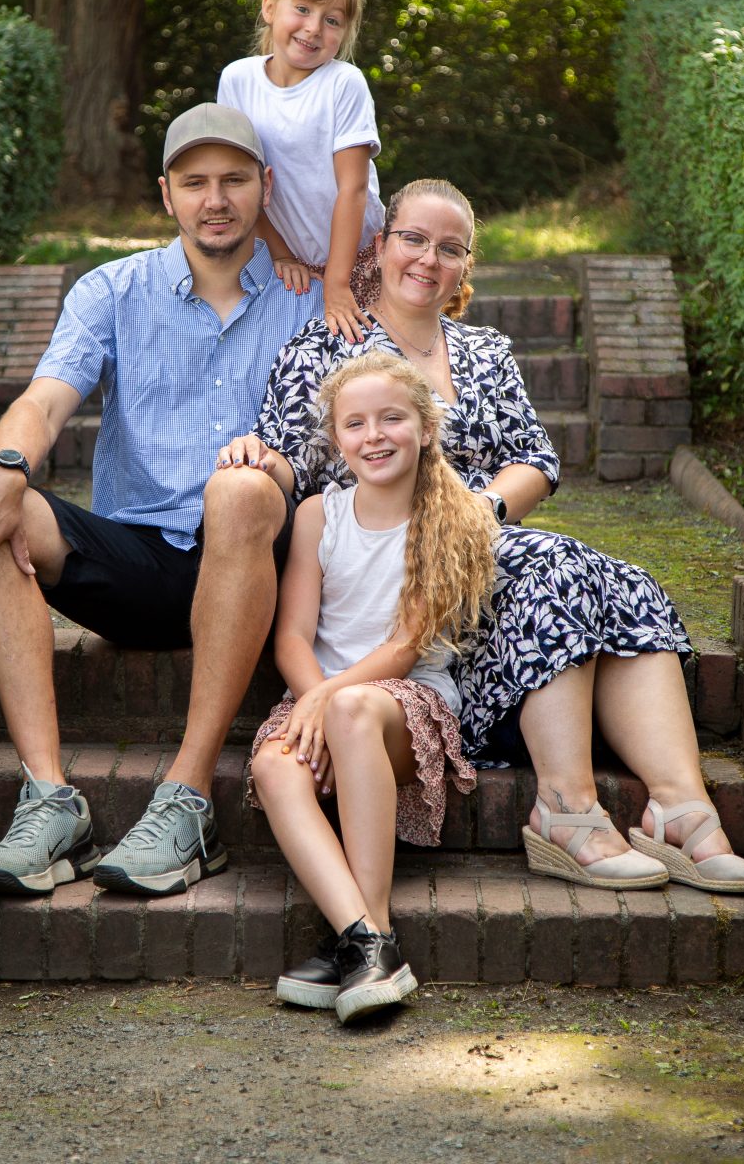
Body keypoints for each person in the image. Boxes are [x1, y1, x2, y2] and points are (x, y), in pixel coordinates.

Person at [219, 177, 744, 895]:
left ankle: (681, 809)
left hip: (481, 534)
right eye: (413, 239)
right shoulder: (327, 344)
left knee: (621, 582)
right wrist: (254, 458)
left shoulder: (485, 351)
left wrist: (479, 513)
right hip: (395, 559)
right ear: (380, 246)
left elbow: (536, 459)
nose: (429, 259)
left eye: (450, 248)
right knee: (553, 564)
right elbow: (292, 460)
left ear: (464, 267)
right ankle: (567, 809)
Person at [0, 103, 324, 897]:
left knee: (240, 490)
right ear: (166, 192)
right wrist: (5, 471)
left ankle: (187, 800)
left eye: (233, 180)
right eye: (195, 182)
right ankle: (51, 800)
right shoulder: (112, 290)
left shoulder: (312, 300)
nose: (215, 199)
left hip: (260, 562)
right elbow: (45, 400)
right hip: (140, 568)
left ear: (265, 186)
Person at [251, 352, 497, 1022]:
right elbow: (292, 637)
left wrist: (327, 702)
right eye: (354, 423)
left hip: (402, 700)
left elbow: (406, 647)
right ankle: (365, 941)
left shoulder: (452, 517)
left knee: (356, 709)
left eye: (392, 418)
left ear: (425, 428)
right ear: (337, 439)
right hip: (318, 695)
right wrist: (314, 701)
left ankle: (371, 928)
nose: (374, 435)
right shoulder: (317, 515)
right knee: (273, 767)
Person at [217, 0, 384, 344]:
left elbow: (353, 188)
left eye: (332, 20)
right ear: (270, 7)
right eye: (303, 9)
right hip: (285, 260)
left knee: (365, 362)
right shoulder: (238, 80)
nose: (313, 28)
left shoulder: (344, 84)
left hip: (359, 262)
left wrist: (338, 284)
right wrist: (280, 253)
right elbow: (241, 182)